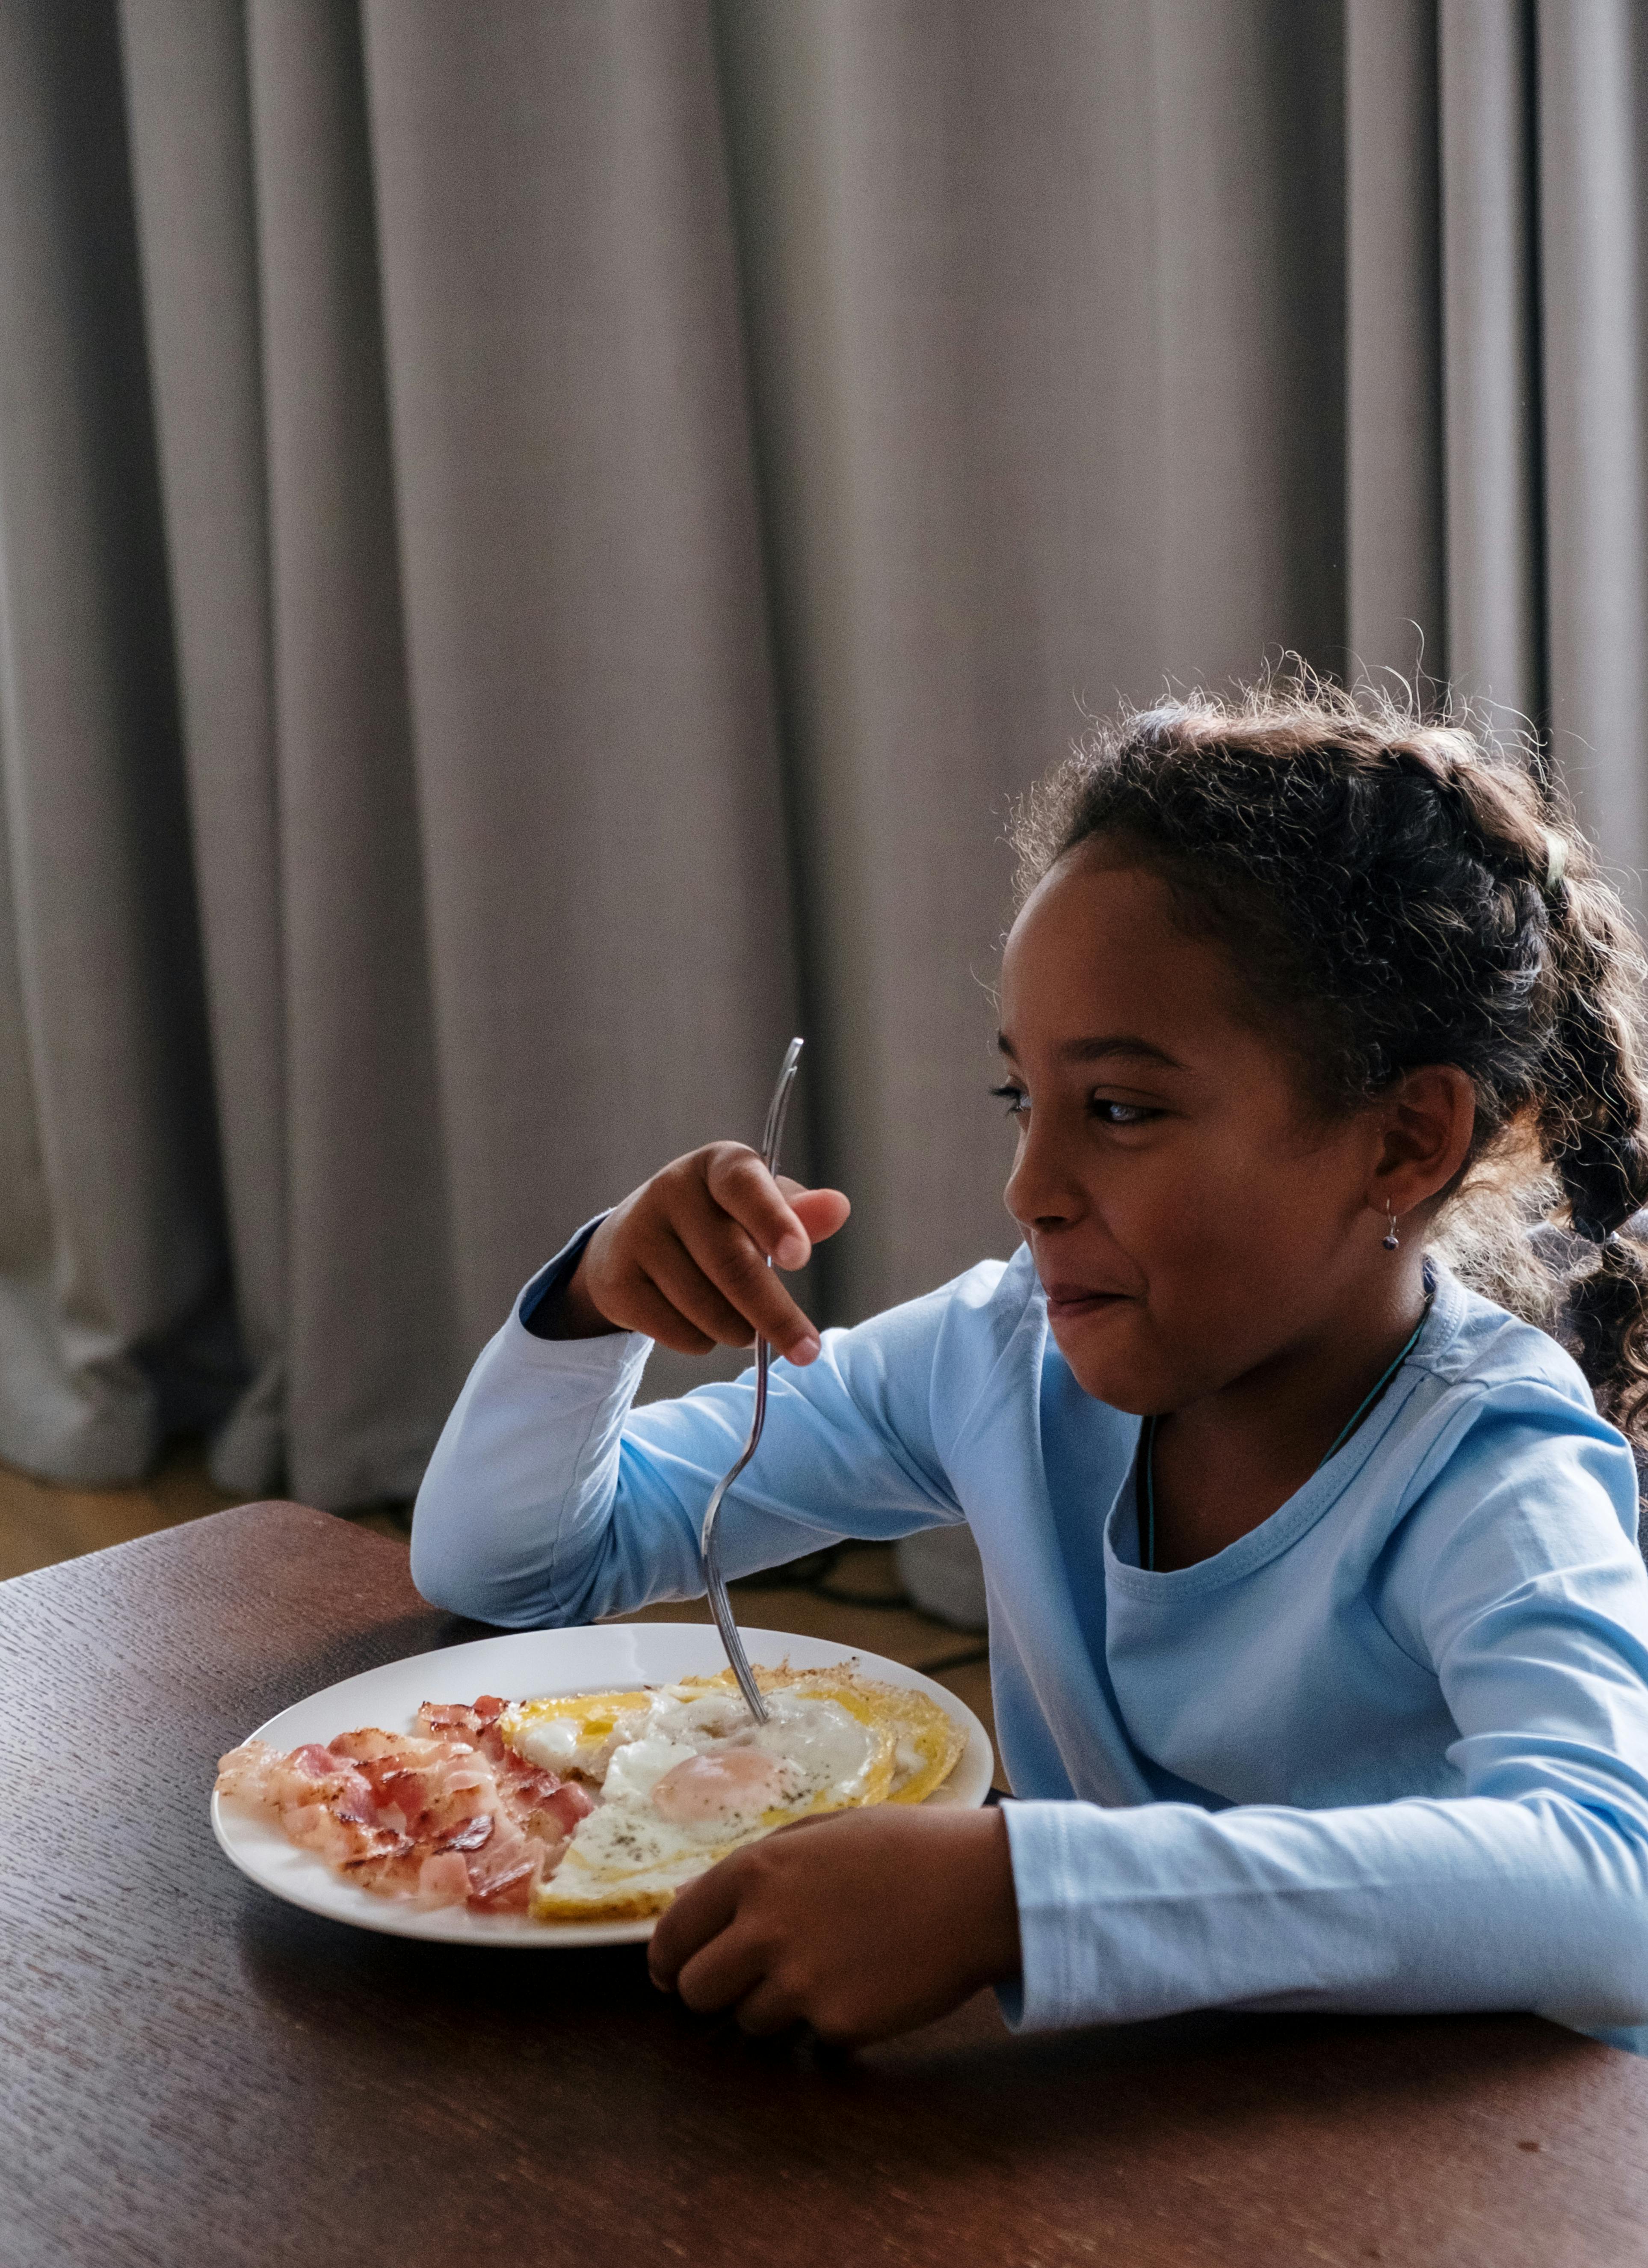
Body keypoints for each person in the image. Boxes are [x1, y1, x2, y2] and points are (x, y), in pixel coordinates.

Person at [411, 679, 1648, 2052]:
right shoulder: (1006, 1360)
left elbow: (1612, 1890)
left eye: (1119, 1108)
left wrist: (1017, 1896)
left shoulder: (1491, 1466)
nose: (1030, 1186)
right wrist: (597, 1307)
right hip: (1122, 2138)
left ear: (1405, 1141)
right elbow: (522, 1570)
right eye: (1025, 1098)